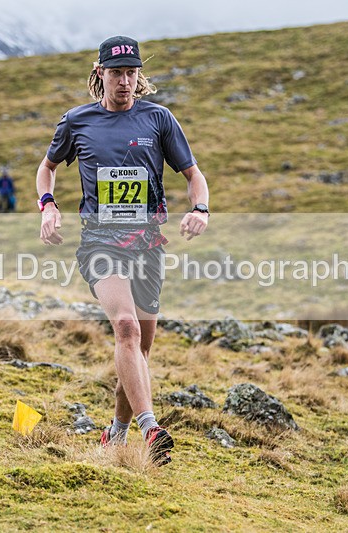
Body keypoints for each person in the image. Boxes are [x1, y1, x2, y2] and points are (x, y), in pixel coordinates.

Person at [35, 36, 210, 466]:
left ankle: (117, 432)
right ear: (100, 74)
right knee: (127, 328)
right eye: (117, 73)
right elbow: (47, 168)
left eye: (132, 72)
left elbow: (193, 174)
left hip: (148, 246)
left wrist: (200, 208)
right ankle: (151, 430)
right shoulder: (77, 122)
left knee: (140, 351)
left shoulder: (159, 119)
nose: (125, 81)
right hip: (100, 243)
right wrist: (48, 206)